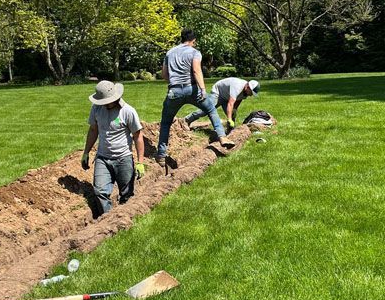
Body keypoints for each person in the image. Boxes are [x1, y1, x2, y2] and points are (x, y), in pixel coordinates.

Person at [156, 29, 233, 166]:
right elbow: (197, 70)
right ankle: (222, 137)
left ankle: (161, 155)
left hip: (174, 91)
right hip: (192, 89)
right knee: (210, 110)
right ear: (194, 40)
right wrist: (203, 89)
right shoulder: (194, 52)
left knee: (166, 123)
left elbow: (164, 74)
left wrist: (174, 85)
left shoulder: (170, 52)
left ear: (181, 38)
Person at [81, 80, 145, 215]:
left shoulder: (128, 111)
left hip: (123, 158)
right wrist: (86, 152)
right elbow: (93, 130)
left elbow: (138, 136)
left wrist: (140, 162)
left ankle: (125, 221)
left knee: (126, 194)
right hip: (102, 158)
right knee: (100, 191)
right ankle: (107, 220)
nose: (103, 104)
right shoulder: (96, 108)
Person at [185, 76, 260, 133]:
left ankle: (230, 132)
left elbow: (239, 99)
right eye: (251, 93)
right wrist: (229, 119)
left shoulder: (246, 92)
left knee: (232, 115)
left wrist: (235, 109)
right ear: (248, 87)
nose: (251, 95)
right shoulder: (238, 86)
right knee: (206, 110)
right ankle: (187, 120)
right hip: (218, 92)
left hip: (227, 96)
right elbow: (230, 104)